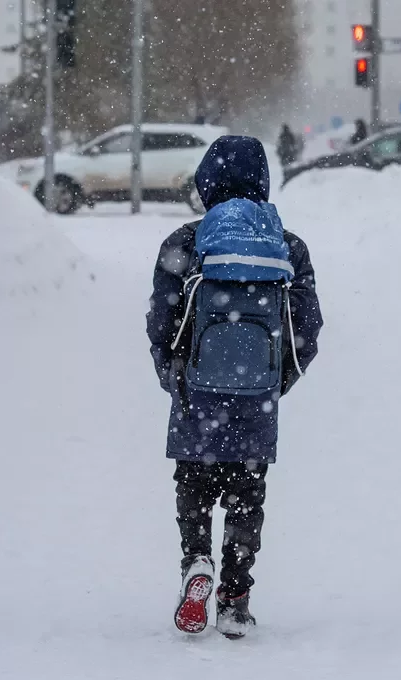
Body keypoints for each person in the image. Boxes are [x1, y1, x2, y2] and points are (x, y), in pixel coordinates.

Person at [145, 136, 323, 639]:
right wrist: (276, 381)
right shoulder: (288, 247)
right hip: (257, 392)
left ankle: (197, 562)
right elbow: (307, 328)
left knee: (195, 485)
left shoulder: (186, 242)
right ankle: (234, 597)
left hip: (196, 390)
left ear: (207, 182)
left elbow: (161, 319)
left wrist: (173, 375)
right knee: (247, 494)